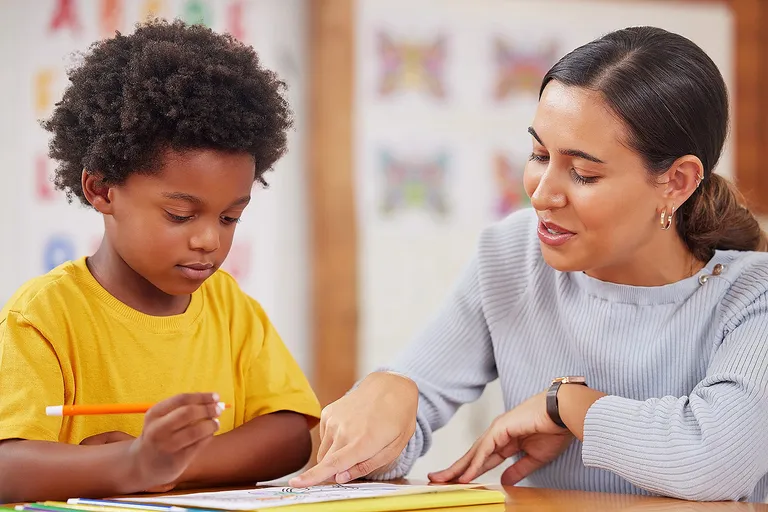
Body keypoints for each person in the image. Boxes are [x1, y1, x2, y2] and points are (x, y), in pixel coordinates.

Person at [291, 26, 768, 502]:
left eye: (583, 173)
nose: (540, 193)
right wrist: (389, 397)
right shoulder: (512, 256)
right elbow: (405, 427)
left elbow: (712, 460)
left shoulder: (754, 296)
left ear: (677, 181)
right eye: (539, 154)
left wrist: (565, 405)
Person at [0, 19, 320, 502]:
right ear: (102, 189)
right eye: (180, 215)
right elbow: (7, 467)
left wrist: (173, 462)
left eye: (231, 217)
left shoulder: (228, 308)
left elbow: (290, 435)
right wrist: (130, 464)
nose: (209, 240)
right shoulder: (43, 316)